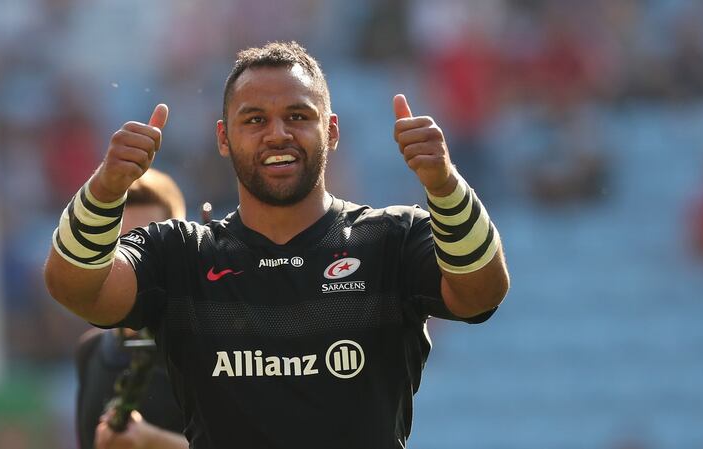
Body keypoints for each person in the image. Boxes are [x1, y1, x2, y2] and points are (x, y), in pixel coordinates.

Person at [45, 41, 510, 449]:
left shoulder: (390, 238)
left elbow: (480, 293)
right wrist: (104, 190)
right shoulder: (181, 254)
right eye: (255, 119)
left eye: (297, 116)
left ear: (331, 130)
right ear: (224, 139)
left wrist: (445, 186)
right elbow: (78, 288)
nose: (277, 133)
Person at [74, 168, 189, 449]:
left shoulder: (210, 348)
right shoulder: (91, 351)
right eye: (120, 245)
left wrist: (153, 442)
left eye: (148, 245)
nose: (134, 260)